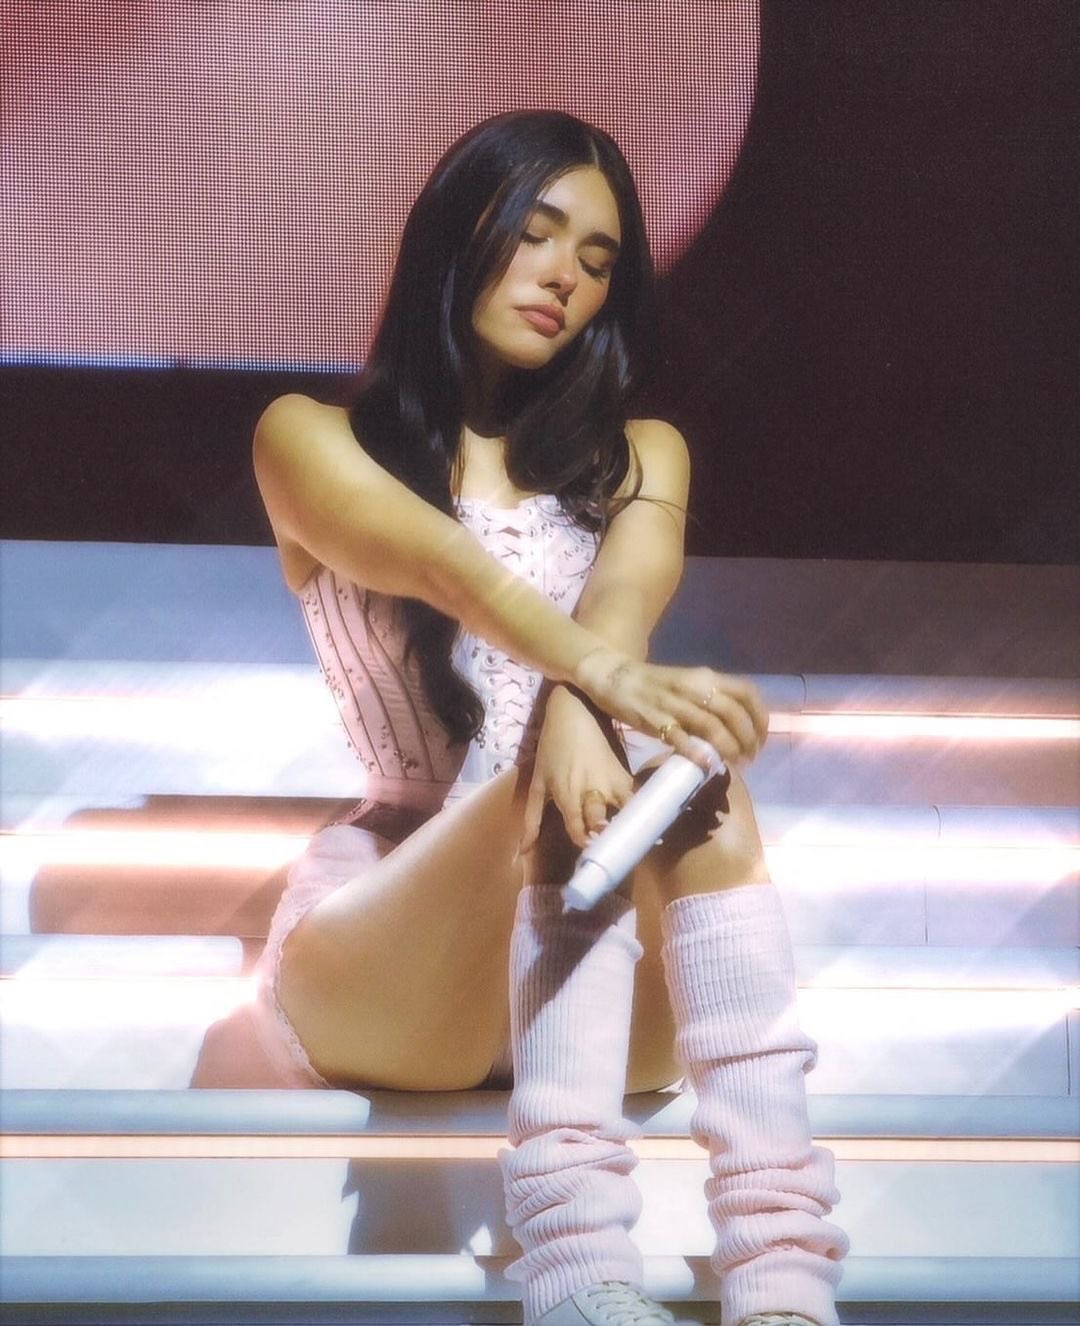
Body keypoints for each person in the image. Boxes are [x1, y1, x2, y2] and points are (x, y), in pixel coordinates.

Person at [193, 110, 848, 1326]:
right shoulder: (309, 438)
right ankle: (576, 1270)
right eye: (537, 233)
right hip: (395, 956)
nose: (563, 278)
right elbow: (447, 570)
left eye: (597, 261)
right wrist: (586, 691)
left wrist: (587, 701)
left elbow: (623, 600)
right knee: (567, 772)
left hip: (599, 953)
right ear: (461, 231)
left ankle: (784, 1279)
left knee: (689, 778)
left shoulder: (644, 453)